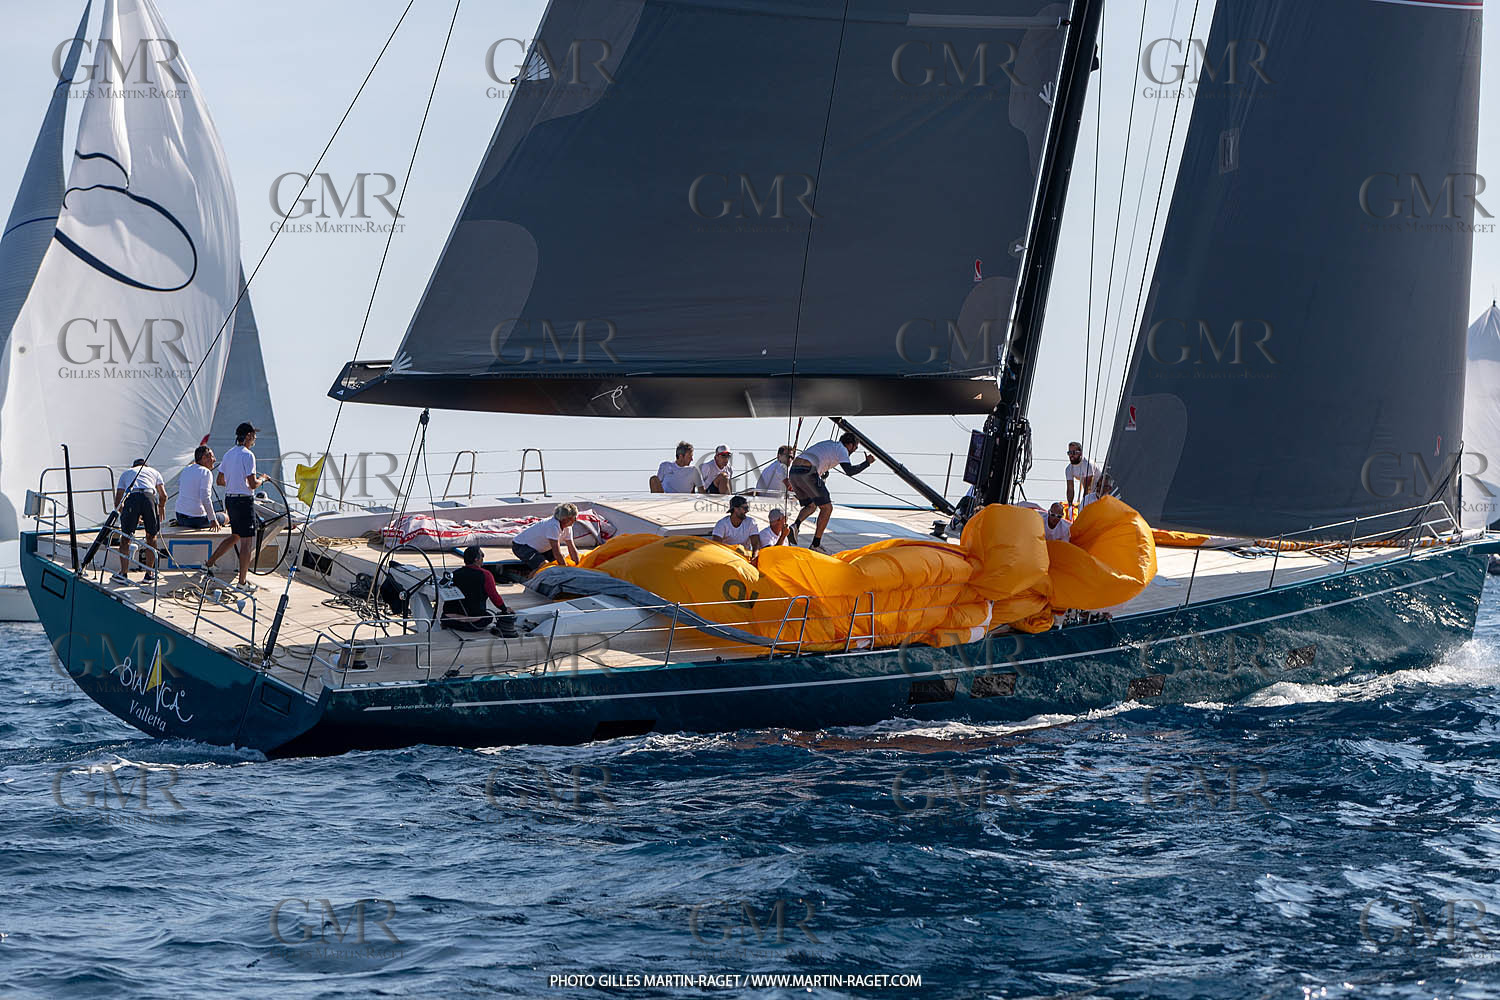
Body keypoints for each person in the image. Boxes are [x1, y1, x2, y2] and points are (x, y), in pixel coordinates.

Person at [206, 422, 269, 592]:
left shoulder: (228, 455)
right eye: (253, 436)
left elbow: (220, 481)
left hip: (230, 500)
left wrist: (234, 482)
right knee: (247, 542)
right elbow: (253, 484)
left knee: (235, 536)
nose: (254, 439)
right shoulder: (248, 456)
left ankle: (209, 563)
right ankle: (242, 583)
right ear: (248, 436)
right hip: (243, 502)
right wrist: (263, 479)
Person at [788, 432, 876, 552]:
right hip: (808, 472)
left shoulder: (829, 444)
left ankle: (795, 526)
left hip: (793, 473)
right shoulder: (842, 449)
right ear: (849, 445)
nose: (854, 451)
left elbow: (820, 456)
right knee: (827, 508)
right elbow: (849, 471)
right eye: (855, 447)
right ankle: (816, 544)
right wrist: (867, 463)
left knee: (811, 505)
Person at [111, 459, 168, 585]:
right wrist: (161, 508)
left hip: (132, 499)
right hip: (149, 498)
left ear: (133, 466)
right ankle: (149, 574)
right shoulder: (154, 472)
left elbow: (118, 502)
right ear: (146, 466)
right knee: (151, 536)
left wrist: (129, 515)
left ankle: (123, 573)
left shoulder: (126, 473)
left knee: (126, 537)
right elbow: (163, 495)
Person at [443, 545, 518, 635]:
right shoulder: (486, 575)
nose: (483, 557)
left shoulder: (454, 574)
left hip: (449, 619)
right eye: (482, 555)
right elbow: (494, 596)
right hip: (473, 623)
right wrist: (504, 609)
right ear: (476, 559)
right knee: (488, 617)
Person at [512, 502, 580, 573]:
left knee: (560, 560)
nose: (575, 520)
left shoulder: (567, 527)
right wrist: (565, 571)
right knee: (544, 566)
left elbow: (572, 548)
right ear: (566, 519)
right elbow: (556, 551)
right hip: (521, 547)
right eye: (574, 518)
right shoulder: (553, 526)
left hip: (540, 548)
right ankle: (529, 580)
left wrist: (578, 566)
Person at [175, 445, 225, 530]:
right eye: (212, 456)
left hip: (180, 517)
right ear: (204, 458)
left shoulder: (186, 469)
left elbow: (182, 485)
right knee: (225, 517)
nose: (215, 460)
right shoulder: (206, 472)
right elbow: (205, 497)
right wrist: (213, 520)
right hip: (196, 520)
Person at [1065, 442, 1098, 509]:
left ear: (1080, 453)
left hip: (1099, 485)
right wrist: (1070, 506)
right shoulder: (1069, 469)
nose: (1071, 455)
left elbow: (1087, 488)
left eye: (1074, 453)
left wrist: (1083, 505)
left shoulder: (1087, 464)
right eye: (1069, 453)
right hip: (1089, 489)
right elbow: (1070, 489)